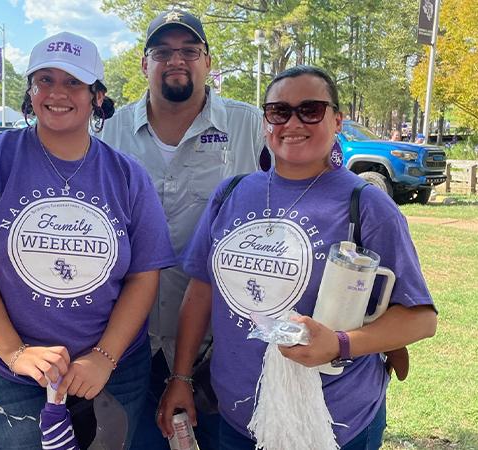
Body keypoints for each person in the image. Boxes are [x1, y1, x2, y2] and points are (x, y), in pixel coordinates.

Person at [157, 65, 437, 449]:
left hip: (333, 422)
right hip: (238, 417)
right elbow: (201, 291)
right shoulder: (232, 193)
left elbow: (421, 319)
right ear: (265, 122)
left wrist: (339, 343)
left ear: (337, 121)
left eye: (311, 110)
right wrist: (181, 378)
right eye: (279, 111)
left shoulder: (367, 204)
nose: (293, 122)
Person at [0, 31, 175, 449]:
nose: (58, 93)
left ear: (97, 95)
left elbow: (143, 275)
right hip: (15, 375)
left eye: (73, 82)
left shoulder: (127, 174)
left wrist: (104, 357)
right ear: (30, 90)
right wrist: (16, 353)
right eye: (45, 80)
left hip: (113, 371)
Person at [98, 9, 266, 449]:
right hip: (125, 345)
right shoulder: (108, 133)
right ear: (144, 63)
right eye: (163, 51)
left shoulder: (252, 126)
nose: (177, 60)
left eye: (189, 50)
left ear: (208, 61)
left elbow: (308, 194)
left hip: (220, 344)